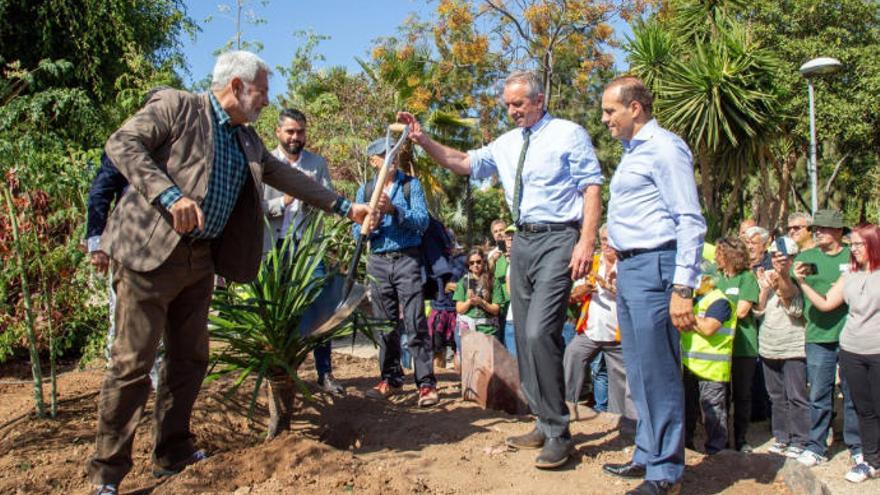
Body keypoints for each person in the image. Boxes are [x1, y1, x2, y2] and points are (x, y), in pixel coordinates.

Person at [88, 50, 372, 495]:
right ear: (237, 86)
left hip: (199, 263)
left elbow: (288, 177)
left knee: (190, 360)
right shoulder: (178, 107)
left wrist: (343, 206)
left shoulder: (247, 140)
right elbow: (122, 144)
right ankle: (107, 474)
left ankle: (172, 452)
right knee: (132, 366)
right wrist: (168, 195)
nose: (266, 101)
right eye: (262, 91)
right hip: (147, 256)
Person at [398, 69, 603, 469]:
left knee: (540, 332)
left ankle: (560, 432)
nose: (512, 111)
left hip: (559, 237)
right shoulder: (508, 143)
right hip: (521, 241)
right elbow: (462, 161)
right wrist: (422, 139)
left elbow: (591, 186)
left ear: (539, 100)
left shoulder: (568, 133)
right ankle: (543, 423)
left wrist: (587, 241)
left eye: (519, 104)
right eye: (508, 105)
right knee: (524, 339)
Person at [600, 76, 705, 495]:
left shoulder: (665, 148)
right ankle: (646, 454)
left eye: (611, 111)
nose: (605, 119)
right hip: (631, 268)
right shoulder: (632, 153)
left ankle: (665, 474)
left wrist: (683, 287)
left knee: (659, 372)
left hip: (657, 267)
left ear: (635, 109)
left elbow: (690, 219)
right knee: (640, 370)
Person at [261, 108, 343, 397]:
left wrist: (313, 201)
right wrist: (281, 202)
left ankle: (324, 374)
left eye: (301, 132)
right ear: (278, 132)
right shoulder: (265, 162)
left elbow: (329, 200)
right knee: (279, 312)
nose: (296, 137)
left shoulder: (316, 164)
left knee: (322, 307)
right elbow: (255, 208)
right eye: (291, 131)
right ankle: (284, 375)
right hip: (275, 247)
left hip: (309, 247)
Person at [356, 136, 438, 407]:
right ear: (373, 161)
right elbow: (357, 230)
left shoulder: (409, 185)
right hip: (378, 261)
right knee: (384, 323)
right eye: (383, 156)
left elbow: (422, 221)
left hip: (407, 259)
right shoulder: (365, 190)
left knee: (415, 321)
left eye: (392, 155)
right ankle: (390, 378)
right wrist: (372, 221)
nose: (389, 160)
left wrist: (394, 210)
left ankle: (425, 384)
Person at [795, 221, 876, 482]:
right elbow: (827, 303)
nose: (855, 249)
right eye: (853, 245)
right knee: (832, 396)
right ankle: (826, 448)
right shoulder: (847, 272)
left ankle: (860, 448)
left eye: (859, 244)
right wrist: (802, 283)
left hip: (872, 349)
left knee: (863, 402)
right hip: (840, 343)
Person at [563, 224, 630, 420]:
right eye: (603, 240)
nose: (607, 244)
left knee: (619, 383)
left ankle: (619, 422)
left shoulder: (626, 265)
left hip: (617, 335)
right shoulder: (593, 263)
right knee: (573, 355)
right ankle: (567, 408)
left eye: (610, 240)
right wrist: (580, 292)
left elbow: (634, 299)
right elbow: (572, 296)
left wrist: (613, 289)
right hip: (591, 331)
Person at [753, 236, 809, 459]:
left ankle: (800, 438)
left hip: (794, 345)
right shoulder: (765, 277)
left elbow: (796, 309)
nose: (778, 260)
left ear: (793, 257)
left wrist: (783, 279)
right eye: (775, 255)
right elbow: (758, 310)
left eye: (784, 256)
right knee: (776, 396)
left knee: (797, 395)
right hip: (768, 344)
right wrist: (765, 289)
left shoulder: (800, 278)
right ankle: (782, 436)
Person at [714, 236, 760, 453]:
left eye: (719, 253)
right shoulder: (716, 278)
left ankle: (741, 439)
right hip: (719, 348)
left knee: (742, 395)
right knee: (721, 395)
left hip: (743, 347)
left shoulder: (747, 279)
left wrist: (714, 314)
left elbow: (742, 310)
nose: (716, 257)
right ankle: (720, 440)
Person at [682, 270, 735, 455]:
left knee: (713, 414)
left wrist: (686, 315)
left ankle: (717, 452)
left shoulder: (719, 301)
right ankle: (686, 447)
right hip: (690, 365)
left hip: (712, 370)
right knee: (687, 410)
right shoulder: (697, 300)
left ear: (709, 280)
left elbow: (708, 328)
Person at [454, 249, 502, 335]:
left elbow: (496, 310)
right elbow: (459, 309)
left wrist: (481, 302)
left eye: (478, 262)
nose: (475, 265)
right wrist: (470, 301)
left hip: (488, 331)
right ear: (468, 265)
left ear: (483, 262)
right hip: (468, 332)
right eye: (472, 263)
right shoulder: (463, 282)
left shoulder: (493, 281)